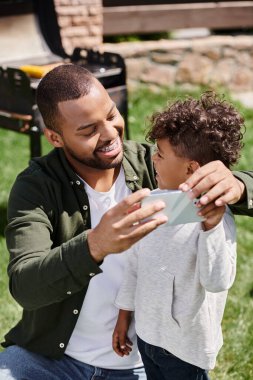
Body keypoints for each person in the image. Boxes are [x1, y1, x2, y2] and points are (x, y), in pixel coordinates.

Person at [0, 64, 252, 380]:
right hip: (54, 361)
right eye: (88, 130)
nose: (109, 134)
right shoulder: (37, 186)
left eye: (110, 115)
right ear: (55, 137)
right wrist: (94, 246)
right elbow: (25, 286)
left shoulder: (156, 165)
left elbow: (216, 202)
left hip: (146, 363)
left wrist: (239, 185)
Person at [112, 92, 244, 380]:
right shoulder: (151, 202)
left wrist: (211, 228)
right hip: (149, 337)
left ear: (191, 168)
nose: (152, 158)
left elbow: (217, 280)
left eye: (159, 153)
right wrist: (125, 313)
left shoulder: (217, 218)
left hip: (186, 349)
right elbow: (135, 263)